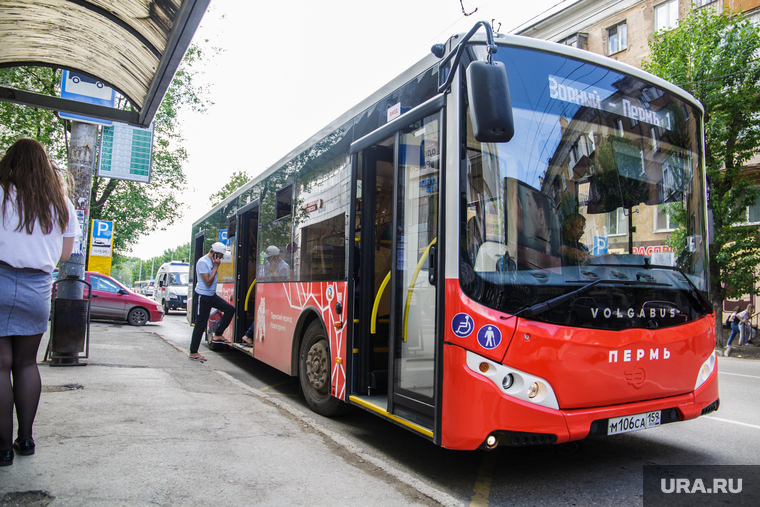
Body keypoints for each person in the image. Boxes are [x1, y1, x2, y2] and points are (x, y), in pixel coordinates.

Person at [0, 139, 78, 466]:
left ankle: (3, 448)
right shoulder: (61, 205)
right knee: (26, 364)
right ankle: (26, 439)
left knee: (0, 365)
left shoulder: (2, 193)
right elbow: (65, 254)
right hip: (37, 287)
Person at [189, 242, 235, 361]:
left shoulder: (213, 261)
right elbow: (208, 282)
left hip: (211, 296)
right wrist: (215, 267)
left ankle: (218, 334)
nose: (221, 258)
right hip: (202, 296)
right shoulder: (203, 262)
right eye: (220, 255)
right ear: (214, 253)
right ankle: (193, 352)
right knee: (200, 324)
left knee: (230, 309)